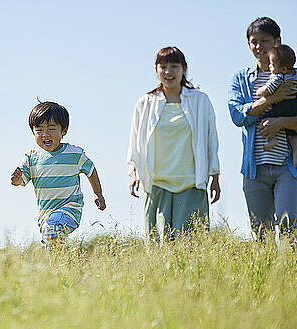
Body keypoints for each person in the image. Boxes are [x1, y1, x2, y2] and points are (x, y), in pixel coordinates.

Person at [127, 47, 221, 241]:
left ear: (184, 69)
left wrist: (215, 175)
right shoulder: (145, 103)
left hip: (191, 183)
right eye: (164, 66)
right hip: (155, 184)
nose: (169, 72)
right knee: (158, 247)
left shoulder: (200, 101)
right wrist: (134, 172)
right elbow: (135, 140)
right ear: (156, 69)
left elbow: (211, 140)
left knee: (191, 245)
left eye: (174, 66)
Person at [228, 17, 297, 239]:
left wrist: (281, 122)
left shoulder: (294, 76)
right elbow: (238, 116)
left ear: (277, 41)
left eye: (264, 41)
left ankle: (289, 272)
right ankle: (267, 273)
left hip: (288, 165)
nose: (259, 47)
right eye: (253, 42)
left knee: (290, 225)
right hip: (254, 167)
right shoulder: (241, 78)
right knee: (261, 233)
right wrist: (271, 99)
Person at [11, 101, 106, 246]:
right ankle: (62, 266)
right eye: (39, 129)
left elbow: (91, 170)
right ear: (33, 132)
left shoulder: (74, 154)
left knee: (52, 229)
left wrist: (97, 193)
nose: (45, 134)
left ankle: (63, 263)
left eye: (51, 128)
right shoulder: (31, 157)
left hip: (70, 208)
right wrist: (16, 180)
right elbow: (22, 180)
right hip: (46, 214)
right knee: (52, 240)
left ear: (64, 131)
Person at [254, 44, 297, 166]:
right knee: (292, 135)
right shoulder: (294, 73)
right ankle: (295, 153)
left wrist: (259, 92)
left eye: (272, 64)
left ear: (283, 69)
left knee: (264, 120)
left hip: (283, 107)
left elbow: (267, 90)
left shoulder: (278, 77)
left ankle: (272, 140)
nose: (269, 66)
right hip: (294, 107)